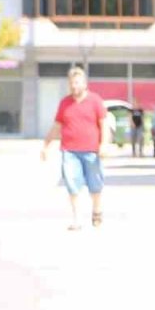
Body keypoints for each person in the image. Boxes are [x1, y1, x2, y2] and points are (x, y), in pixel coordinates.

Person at [41, 68, 108, 230]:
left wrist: (104, 144)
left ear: (85, 84)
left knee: (95, 184)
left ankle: (97, 209)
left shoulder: (95, 101)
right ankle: (77, 219)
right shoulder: (65, 103)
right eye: (71, 83)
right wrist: (46, 145)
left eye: (77, 83)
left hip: (91, 150)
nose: (73, 86)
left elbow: (103, 124)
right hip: (69, 151)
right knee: (72, 184)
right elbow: (57, 126)